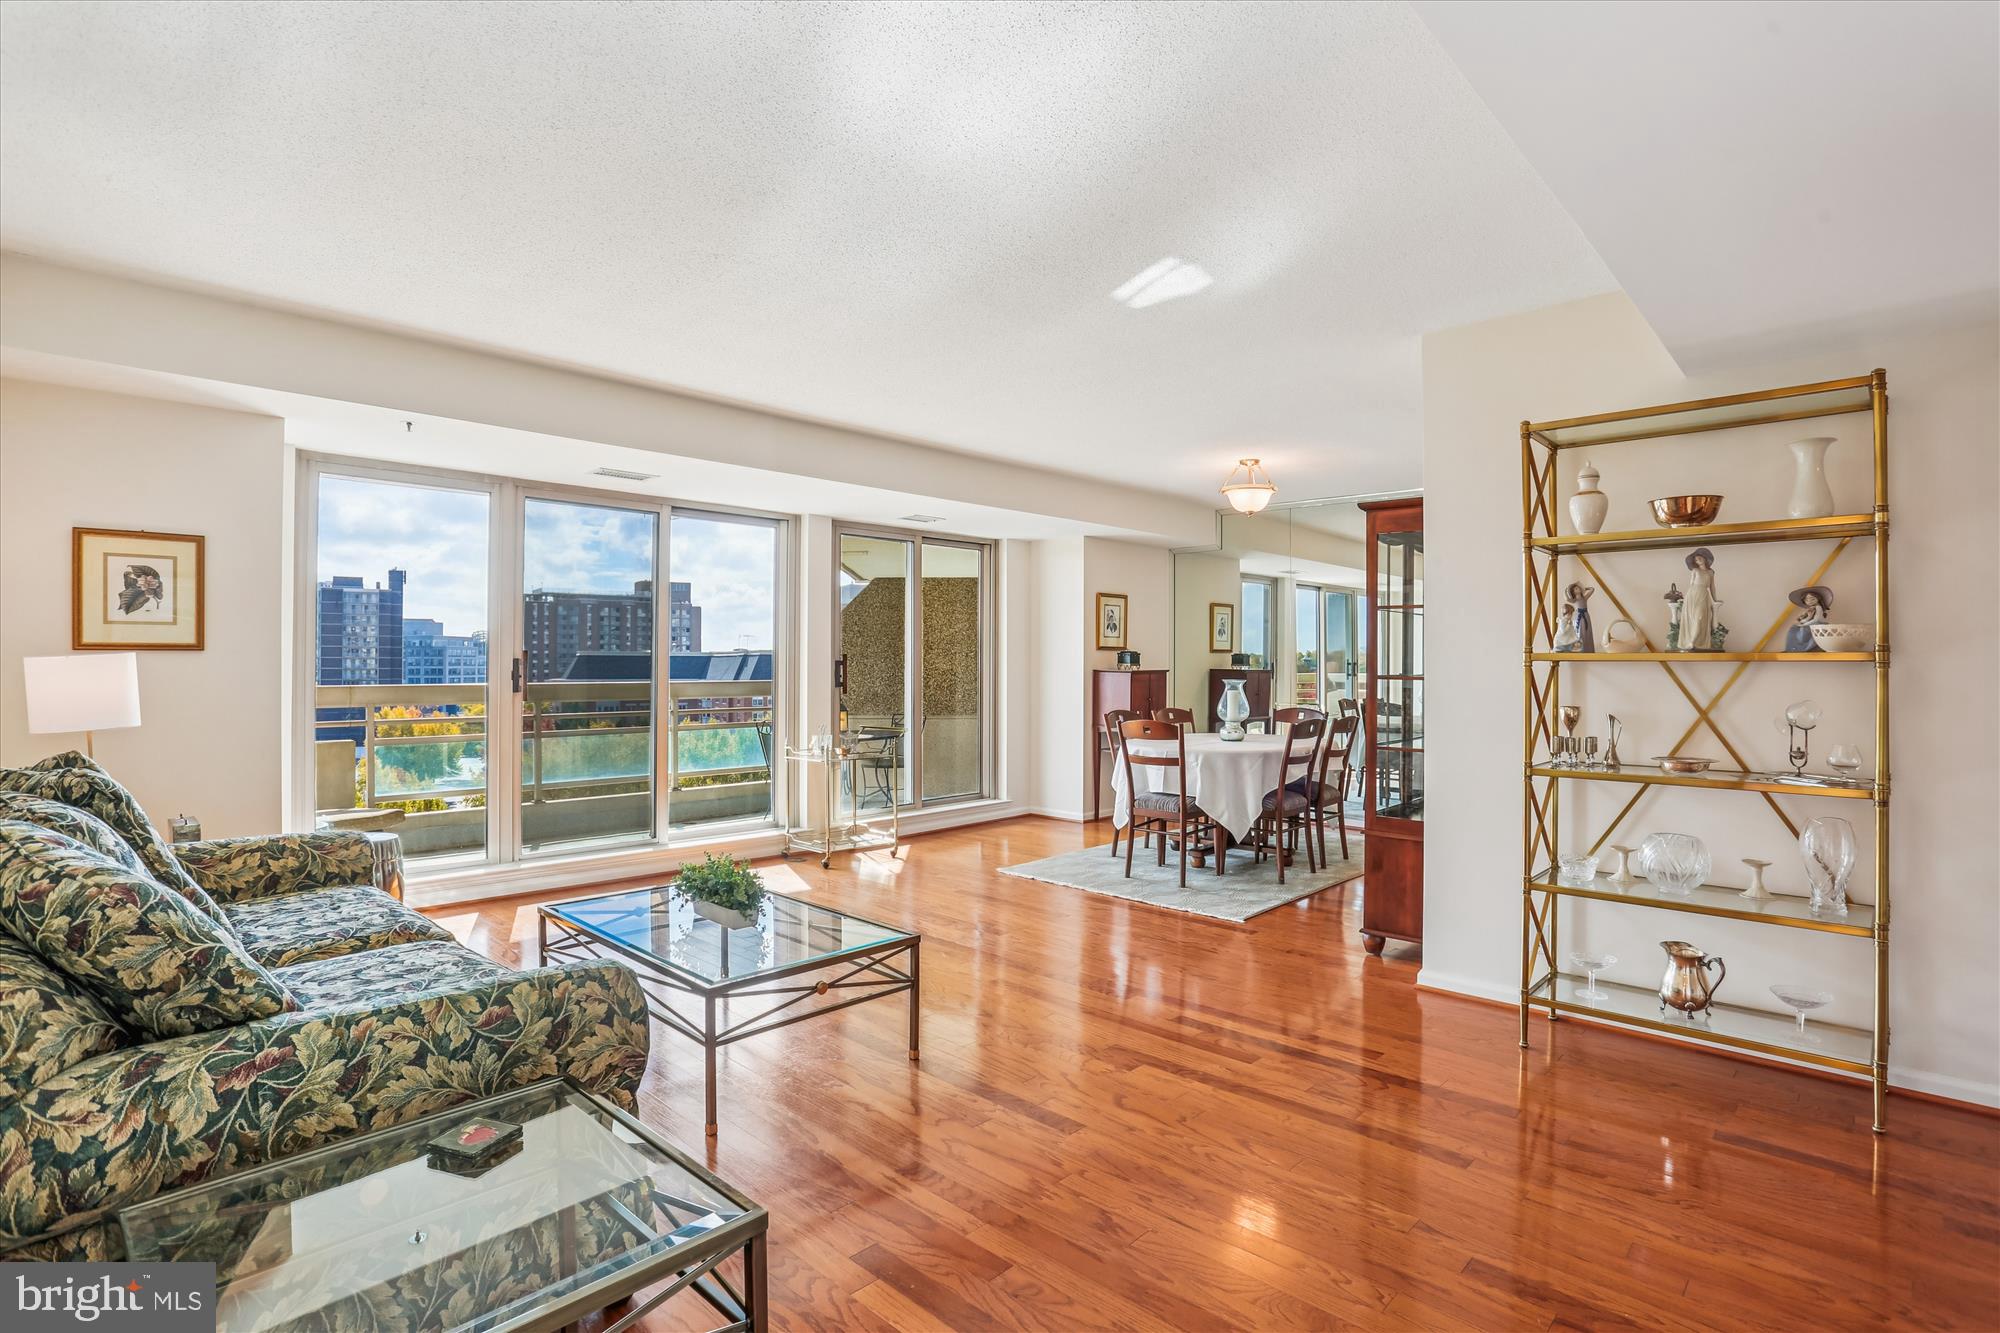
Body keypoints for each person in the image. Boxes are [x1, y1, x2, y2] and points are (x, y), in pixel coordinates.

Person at [1682, 548, 1719, 651]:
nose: (1698, 560)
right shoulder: (1695, 570)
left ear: (1704, 558)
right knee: (1693, 620)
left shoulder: (1711, 572)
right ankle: (1690, 642)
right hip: (1693, 595)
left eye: (1699, 558)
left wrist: (1715, 600)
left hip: (1703, 594)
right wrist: (1686, 600)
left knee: (1700, 618)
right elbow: (1691, 585)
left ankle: (1693, 641)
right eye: (1696, 560)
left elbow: (1712, 587)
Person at [1785, 585, 1832, 652]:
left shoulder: (1818, 607)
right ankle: (1795, 648)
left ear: (1818, 598)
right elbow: (1805, 619)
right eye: (1807, 599)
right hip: (1811, 624)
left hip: (1818, 625)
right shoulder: (1810, 609)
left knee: (1805, 629)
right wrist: (1805, 620)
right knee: (1793, 628)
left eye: (1812, 599)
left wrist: (1804, 624)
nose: (1810, 601)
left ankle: (1807, 647)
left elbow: (1817, 620)